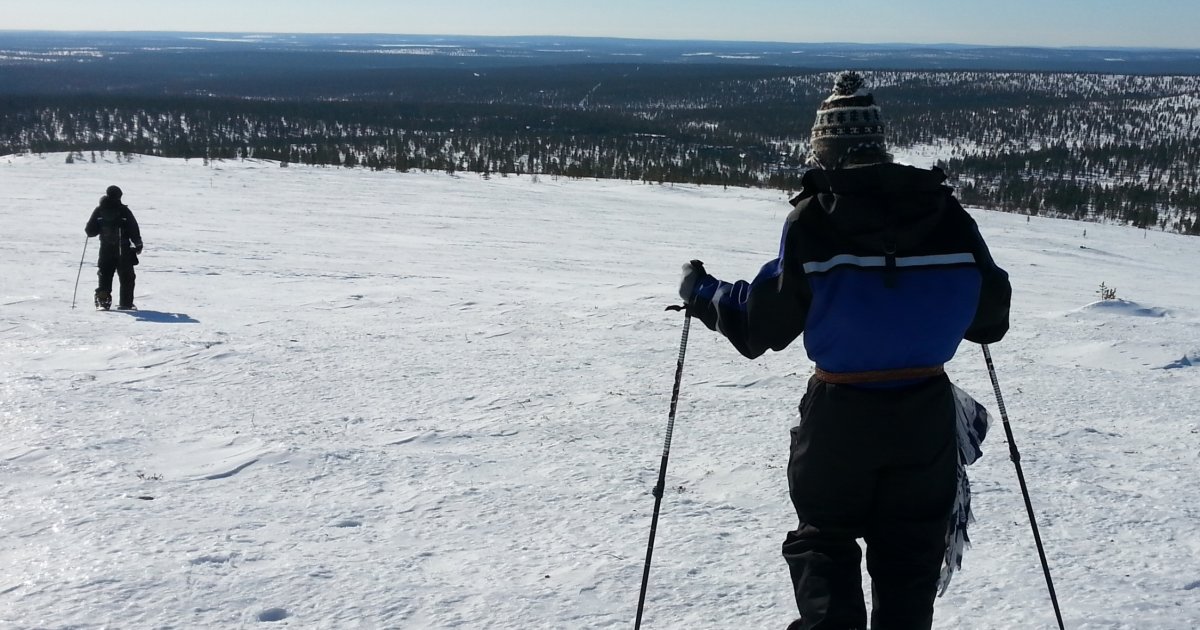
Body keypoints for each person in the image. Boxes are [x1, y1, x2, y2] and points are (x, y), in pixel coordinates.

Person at [677, 72, 1011, 630]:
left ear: (826, 149)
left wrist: (703, 293)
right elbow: (990, 320)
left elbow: (762, 322)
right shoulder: (946, 214)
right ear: (878, 144)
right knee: (908, 558)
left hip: (840, 414)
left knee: (825, 542)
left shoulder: (815, 219)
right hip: (925, 412)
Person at [85, 185, 143, 310]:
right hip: (123, 249)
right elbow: (133, 228)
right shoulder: (124, 211)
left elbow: (90, 231)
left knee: (105, 274)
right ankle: (126, 303)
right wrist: (138, 244)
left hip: (105, 249)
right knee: (127, 276)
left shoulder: (99, 210)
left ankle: (103, 301)